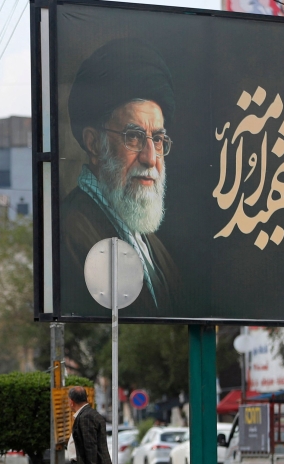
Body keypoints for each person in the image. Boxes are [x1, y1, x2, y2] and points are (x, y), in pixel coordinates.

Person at [61, 38, 180, 312]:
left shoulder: (149, 243)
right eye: (134, 137)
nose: (151, 158)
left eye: (158, 139)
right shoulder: (70, 232)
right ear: (93, 143)